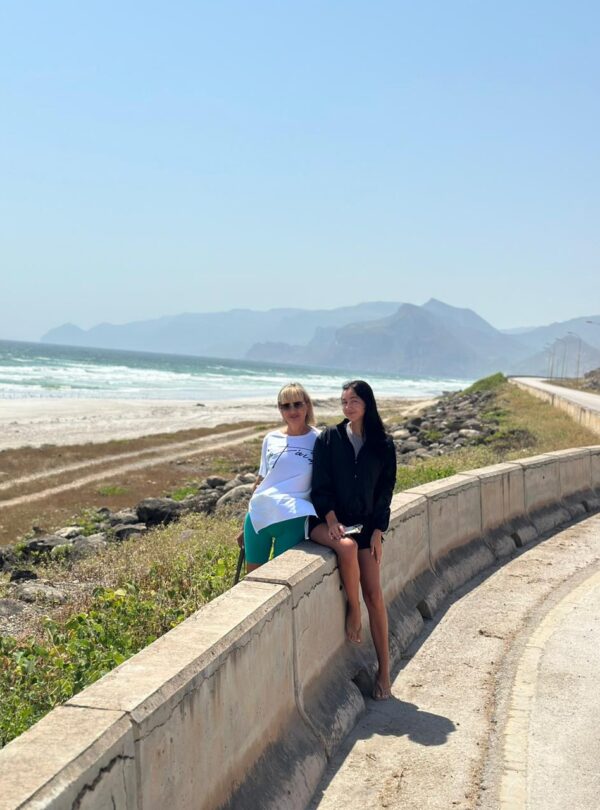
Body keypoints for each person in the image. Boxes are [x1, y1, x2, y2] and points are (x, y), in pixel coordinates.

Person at [309, 380, 397, 700]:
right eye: (343, 401)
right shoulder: (329, 439)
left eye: (354, 400)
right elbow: (320, 484)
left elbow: (386, 490)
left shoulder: (383, 445)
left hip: (367, 528)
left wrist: (378, 531)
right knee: (360, 590)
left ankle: (384, 673)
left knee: (375, 595)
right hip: (337, 523)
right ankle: (351, 609)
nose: (347, 406)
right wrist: (331, 519)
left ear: (367, 403)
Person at [237, 382, 319, 572]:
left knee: (281, 580)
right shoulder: (270, 439)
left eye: (297, 404)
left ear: (307, 405)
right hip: (259, 516)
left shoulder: (320, 439)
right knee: (254, 581)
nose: (292, 410)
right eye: (285, 406)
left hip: (294, 518)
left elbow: (328, 483)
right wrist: (245, 524)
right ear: (280, 410)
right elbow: (261, 483)